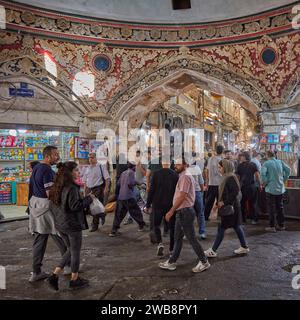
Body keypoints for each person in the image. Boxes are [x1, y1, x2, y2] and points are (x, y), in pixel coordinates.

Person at [159, 157, 210, 273]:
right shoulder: (182, 176)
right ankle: (172, 262)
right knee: (177, 238)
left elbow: (182, 196)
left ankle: (204, 261)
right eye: (175, 164)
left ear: (185, 165)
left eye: (178, 164)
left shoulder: (185, 176)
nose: (175, 166)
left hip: (185, 212)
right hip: (182, 212)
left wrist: (171, 211)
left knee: (191, 239)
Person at [47, 162, 93, 290]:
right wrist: (89, 199)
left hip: (61, 224)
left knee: (70, 250)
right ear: (70, 172)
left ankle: (55, 275)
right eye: (76, 170)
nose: (79, 172)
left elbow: (52, 205)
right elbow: (75, 206)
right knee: (75, 251)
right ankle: (74, 279)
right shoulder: (72, 187)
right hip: (71, 224)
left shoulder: (57, 186)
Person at [28, 146, 68, 282]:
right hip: (46, 208)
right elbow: (50, 193)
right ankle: (68, 265)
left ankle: (36, 272)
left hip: (36, 206)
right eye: (55, 154)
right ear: (47, 156)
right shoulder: (46, 170)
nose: (58, 157)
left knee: (41, 239)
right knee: (61, 236)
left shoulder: (37, 168)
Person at [204, 160, 249, 258]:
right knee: (236, 226)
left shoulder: (230, 177)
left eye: (220, 167)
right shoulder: (227, 177)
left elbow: (235, 192)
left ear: (226, 167)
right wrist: (218, 203)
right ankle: (244, 246)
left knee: (222, 228)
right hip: (232, 206)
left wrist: (223, 202)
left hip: (230, 207)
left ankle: (213, 250)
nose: (219, 169)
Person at [146, 161, 178, 257]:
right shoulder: (175, 175)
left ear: (161, 162)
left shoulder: (156, 174)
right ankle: (172, 249)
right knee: (172, 227)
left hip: (157, 204)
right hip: (170, 205)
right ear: (170, 162)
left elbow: (151, 190)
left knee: (156, 225)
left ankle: (160, 243)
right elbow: (177, 191)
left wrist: (148, 204)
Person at [109, 162, 147, 236]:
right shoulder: (131, 172)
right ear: (134, 167)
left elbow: (118, 184)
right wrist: (138, 184)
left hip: (121, 197)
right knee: (136, 212)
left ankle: (114, 230)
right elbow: (130, 183)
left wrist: (117, 195)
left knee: (119, 214)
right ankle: (141, 226)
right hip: (128, 196)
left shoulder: (123, 173)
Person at [261, 151, 291, 232]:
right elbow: (288, 170)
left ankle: (272, 226)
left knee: (271, 208)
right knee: (280, 207)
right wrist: (283, 179)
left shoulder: (266, 163)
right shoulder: (280, 162)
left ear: (267, 155)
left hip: (270, 189)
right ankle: (281, 225)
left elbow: (263, 174)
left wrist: (265, 182)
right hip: (280, 188)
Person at [84, 152, 111, 232]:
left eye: (92, 157)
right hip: (90, 189)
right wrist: (85, 190)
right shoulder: (88, 168)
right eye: (89, 158)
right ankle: (102, 214)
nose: (90, 159)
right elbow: (85, 181)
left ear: (96, 158)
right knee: (90, 207)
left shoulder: (101, 166)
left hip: (98, 189)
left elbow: (107, 178)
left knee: (95, 207)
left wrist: (106, 188)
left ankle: (95, 225)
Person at [236, 151, 262, 224]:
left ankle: (243, 220)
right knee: (253, 203)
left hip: (243, 187)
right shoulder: (253, 164)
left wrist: (237, 187)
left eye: (241, 156)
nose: (240, 157)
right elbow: (257, 176)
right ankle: (254, 219)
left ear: (244, 157)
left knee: (242, 203)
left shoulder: (239, 166)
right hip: (252, 186)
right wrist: (260, 185)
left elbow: (238, 177)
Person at [188, 156, 206, 239]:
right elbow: (201, 182)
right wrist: (202, 191)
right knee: (200, 213)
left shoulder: (184, 169)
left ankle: (187, 233)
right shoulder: (197, 168)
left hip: (188, 194)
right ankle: (202, 232)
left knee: (188, 213)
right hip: (197, 192)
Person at [204, 145, 224, 220]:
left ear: (215, 150)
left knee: (209, 201)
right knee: (221, 200)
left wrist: (207, 181)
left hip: (212, 183)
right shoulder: (222, 160)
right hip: (220, 183)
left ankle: (206, 216)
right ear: (222, 151)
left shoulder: (211, 159)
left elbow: (207, 170)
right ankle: (221, 216)